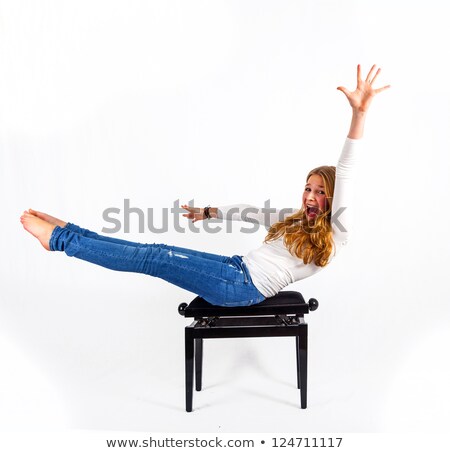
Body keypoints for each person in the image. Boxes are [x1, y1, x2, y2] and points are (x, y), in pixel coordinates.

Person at [20, 64, 390, 307]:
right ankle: (71, 231)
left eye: (321, 191)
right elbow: (250, 212)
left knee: (155, 258)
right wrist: (208, 212)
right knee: (155, 249)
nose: (311, 195)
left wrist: (359, 114)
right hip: (234, 268)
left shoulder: (338, 232)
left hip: (241, 288)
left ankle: (59, 241)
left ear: (334, 198)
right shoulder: (292, 220)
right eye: (308, 188)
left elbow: (347, 168)